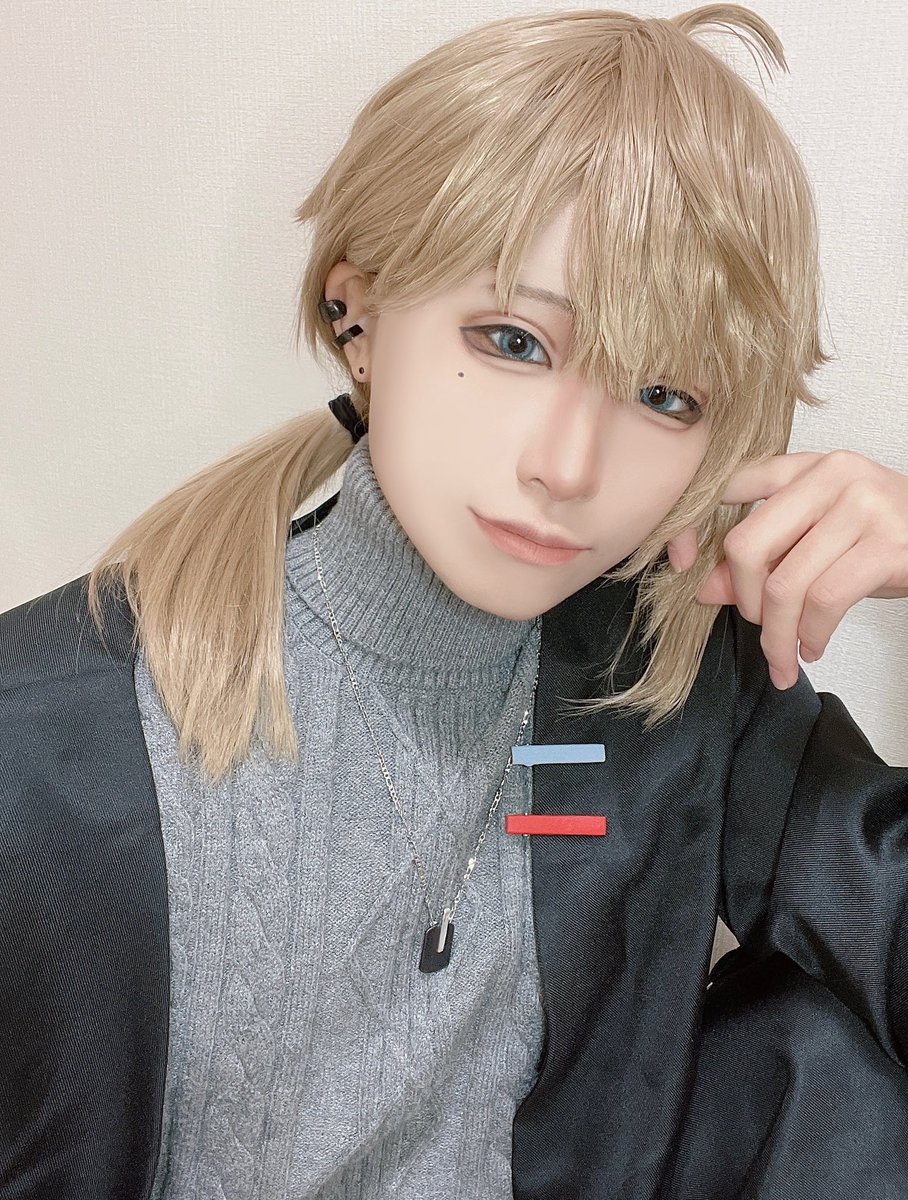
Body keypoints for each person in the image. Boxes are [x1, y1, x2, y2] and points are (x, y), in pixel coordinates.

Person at [1, 5, 907, 1198]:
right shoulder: (47, 742)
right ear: (358, 317)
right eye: (512, 341)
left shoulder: (673, 687)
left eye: (664, 396)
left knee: (830, 1055)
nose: (567, 467)